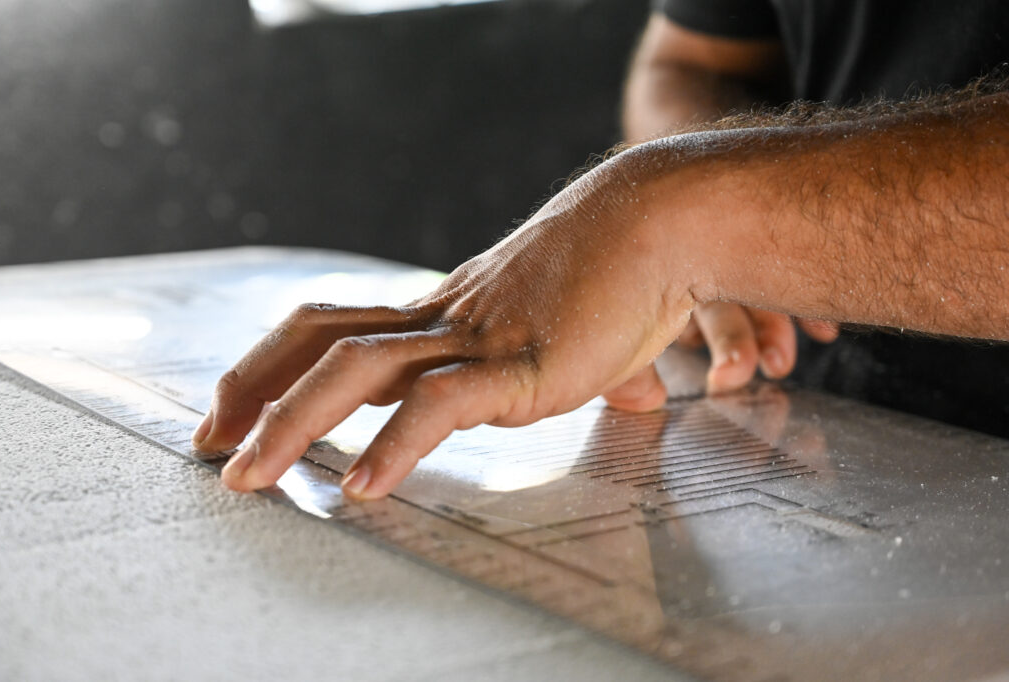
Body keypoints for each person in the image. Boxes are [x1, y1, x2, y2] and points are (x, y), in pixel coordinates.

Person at [192, 0, 1009, 500]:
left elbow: (684, 205)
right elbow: (685, 60)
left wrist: (689, 220)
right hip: (808, 417)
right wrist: (757, 234)